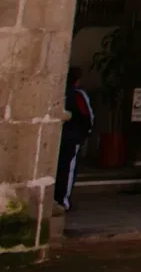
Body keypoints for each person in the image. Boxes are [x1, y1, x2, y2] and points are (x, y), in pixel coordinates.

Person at [54, 68, 93, 212]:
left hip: (61, 136)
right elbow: (87, 117)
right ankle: (63, 201)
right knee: (67, 169)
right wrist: (85, 133)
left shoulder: (57, 93)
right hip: (71, 137)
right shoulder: (77, 95)